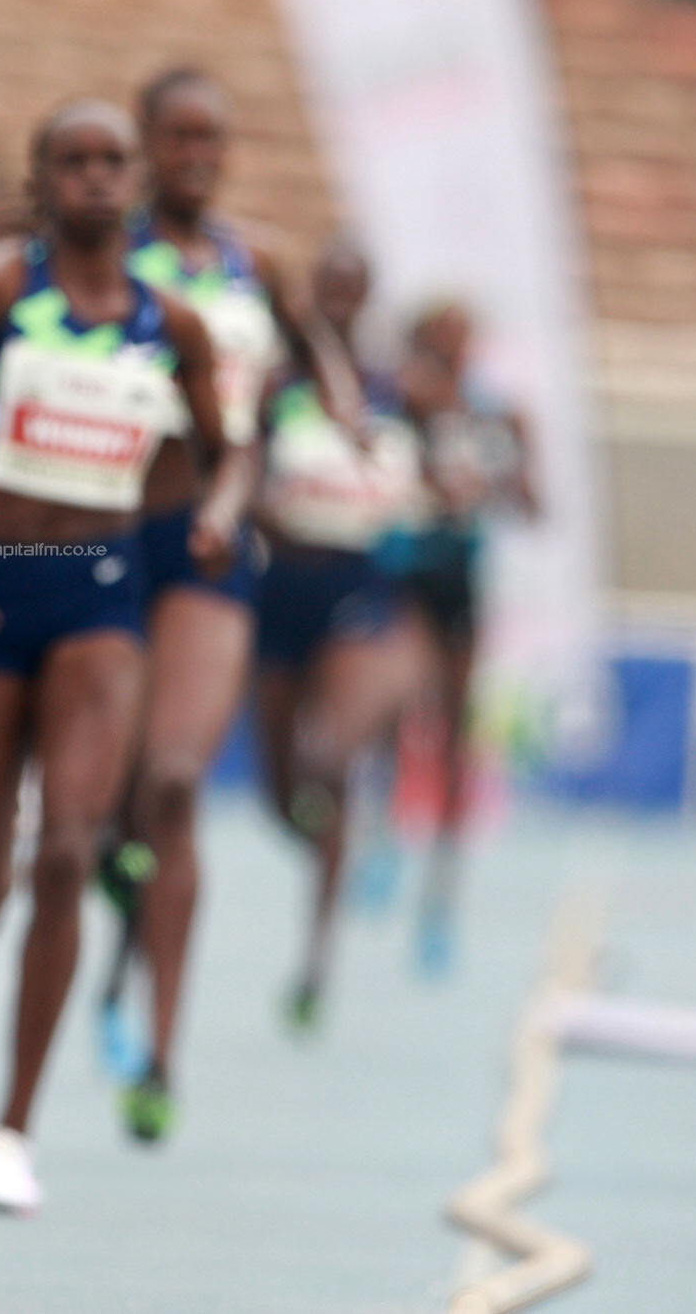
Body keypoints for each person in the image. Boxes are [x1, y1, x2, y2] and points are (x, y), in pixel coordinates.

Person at [0, 100, 248, 1213]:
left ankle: (12, 1127)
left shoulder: (170, 323)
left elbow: (229, 452)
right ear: (40, 179)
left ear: (134, 180)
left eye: (110, 160)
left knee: (68, 852)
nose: (94, 177)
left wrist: (219, 512)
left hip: (99, 598)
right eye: (71, 161)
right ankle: (46, 856)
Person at [97, 68, 358, 1142]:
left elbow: (317, 355)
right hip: (101, 536)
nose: (197, 154)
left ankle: (161, 1053)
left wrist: (336, 407)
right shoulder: (107, 248)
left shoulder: (257, 263)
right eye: (178, 135)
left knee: (172, 782)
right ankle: (115, 880)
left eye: (214, 136)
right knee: (107, 802)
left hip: (211, 545)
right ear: (144, 142)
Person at [251, 241, 425, 1031]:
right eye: (328, 286)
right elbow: (238, 468)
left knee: (328, 760)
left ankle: (317, 958)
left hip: (358, 584)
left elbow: (441, 469)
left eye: (353, 289)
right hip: (281, 584)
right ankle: (326, 835)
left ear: (369, 298)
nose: (339, 301)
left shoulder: (395, 391)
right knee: (283, 793)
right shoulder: (277, 386)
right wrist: (262, 511)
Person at [378, 302, 538, 978]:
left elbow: (533, 505)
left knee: (453, 739)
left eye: (461, 340)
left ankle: (440, 900)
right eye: (438, 340)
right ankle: (380, 836)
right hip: (402, 579)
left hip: (459, 585)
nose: (452, 351)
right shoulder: (399, 402)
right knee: (393, 712)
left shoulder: (495, 415)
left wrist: (497, 479)